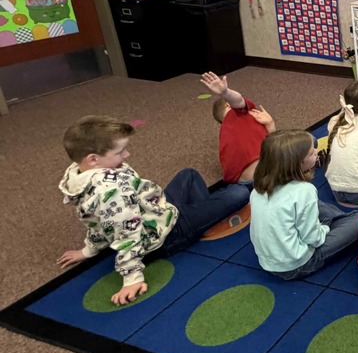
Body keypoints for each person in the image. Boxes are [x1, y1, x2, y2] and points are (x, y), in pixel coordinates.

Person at [57, 115, 250, 305]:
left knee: (188, 175)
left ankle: (203, 220)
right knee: (239, 193)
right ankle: (201, 225)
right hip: (165, 236)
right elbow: (126, 233)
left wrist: (88, 250)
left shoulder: (78, 173)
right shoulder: (110, 192)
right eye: (120, 152)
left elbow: (95, 220)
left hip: (156, 211)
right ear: (93, 159)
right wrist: (132, 278)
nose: (126, 155)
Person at [249, 129, 358, 280]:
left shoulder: (257, 189)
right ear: (295, 163)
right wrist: (324, 228)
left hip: (267, 262)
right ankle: (340, 224)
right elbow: (314, 239)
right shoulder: (304, 190)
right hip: (297, 265)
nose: (317, 151)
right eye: (311, 153)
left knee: (313, 204)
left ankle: (339, 222)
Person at [200, 71, 276, 184]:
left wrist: (270, 123)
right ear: (228, 105)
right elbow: (238, 100)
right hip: (265, 174)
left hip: (252, 178)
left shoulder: (231, 129)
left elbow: (271, 142)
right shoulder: (236, 115)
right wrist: (225, 93)